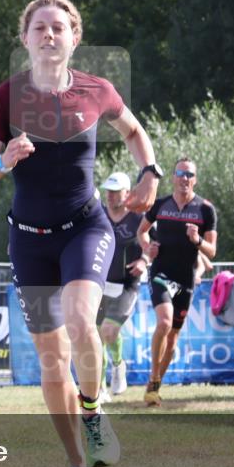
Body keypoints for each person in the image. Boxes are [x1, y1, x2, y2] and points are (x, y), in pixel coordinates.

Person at [0, 0, 159, 467]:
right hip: (29, 240)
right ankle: (76, 465)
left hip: (85, 228)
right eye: (39, 28)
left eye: (59, 27)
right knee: (52, 364)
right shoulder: (5, 99)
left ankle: (94, 416)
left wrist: (150, 170)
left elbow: (135, 131)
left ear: (74, 37)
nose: (49, 34)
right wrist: (6, 160)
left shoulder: (97, 91)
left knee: (80, 319)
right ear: (25, 38)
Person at [137, 158, 217, 407]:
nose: (184, 178)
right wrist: (148, 247)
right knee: (164, 321)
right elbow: (141, 231)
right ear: (172, 177)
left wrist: (196, 241)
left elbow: (212, 250)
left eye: (189, 174)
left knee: (173, 338)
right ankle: (152, 377)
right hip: (160, 273)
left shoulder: (205, 209)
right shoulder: (160, 205)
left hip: (186, 279)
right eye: (180, 173)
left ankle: (156, 385)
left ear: (195, 179)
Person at [95, 171, 145, 401]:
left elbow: (155, 244)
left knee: (108, 330)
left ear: (127, 194)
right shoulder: (99, 216)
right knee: (94, 338)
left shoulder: (138, 219)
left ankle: (118, 366)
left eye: (115, 192)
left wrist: (145, 261)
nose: (110, 196)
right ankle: (100, 390)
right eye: (108, 192)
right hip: (99, 283)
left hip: (127, 284)